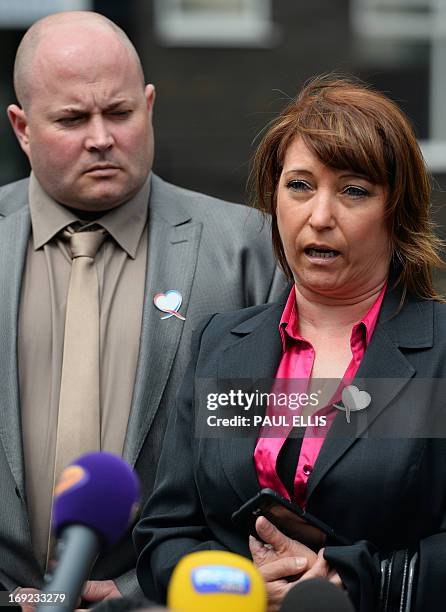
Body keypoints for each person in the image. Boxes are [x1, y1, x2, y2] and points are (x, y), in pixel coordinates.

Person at [0, 10, 285, 603]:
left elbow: (282, 458)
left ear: (149, 105)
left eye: (121, 113)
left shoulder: (250, 251)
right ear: (22, 128)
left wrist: (143, 589)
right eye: (73, 118)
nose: (101, 137)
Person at [134, 76, 446, 612]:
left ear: (398, 211)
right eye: (300, 185)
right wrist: (239, 588)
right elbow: (165, 535)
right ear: (273, 198)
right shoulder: (221, 344)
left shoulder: (439, 352)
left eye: (354, 190)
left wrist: (351, 583)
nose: (319, 217)